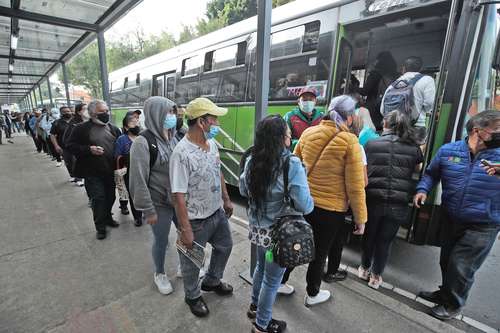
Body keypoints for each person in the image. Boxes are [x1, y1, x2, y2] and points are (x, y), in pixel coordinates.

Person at [280, 95, 367, 306]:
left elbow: (295, 166)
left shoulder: (309, 133)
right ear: (348, 118)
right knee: (320, 253)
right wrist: (360, 218)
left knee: (297, 242)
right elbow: (355, 185)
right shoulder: (350, 142)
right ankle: (312, 293)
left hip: (306, 203)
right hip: (332, 210)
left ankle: (280, 282)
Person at [414, 110, 500, 320]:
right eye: (496, 130)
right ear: (477, 131)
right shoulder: (449, 151)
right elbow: (431, 174)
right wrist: (422, 190)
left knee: (461, 265)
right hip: (451, 217)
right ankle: (445, 294)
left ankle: (453, 305)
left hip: (483, 223)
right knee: (447, 261)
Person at [240, 115, 314, 333]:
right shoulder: (291, 164)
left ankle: (255, 306)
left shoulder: (253, 159)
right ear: (282, 138)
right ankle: (262, 325)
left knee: (261, 269)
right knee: (272, 281)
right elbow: (304, 205)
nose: (290, 137)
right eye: (289, 134)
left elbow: (244, 190)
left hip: (258, 231)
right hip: (278, 235)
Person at [170, 97, 234, 317]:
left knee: (225, 246)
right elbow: (178, 194)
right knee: (191, 263)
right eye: (214, 119)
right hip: (195, 220)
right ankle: (193, 296)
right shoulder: (181, 153)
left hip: (216, 212)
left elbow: (218, 171)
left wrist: (225, 198)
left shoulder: (212, 144)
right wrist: (185, 228)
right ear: (201, 122)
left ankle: (212, 280)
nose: (217, 123)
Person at [359, 111, 423, 289]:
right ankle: (376, 276)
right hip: (398, 202)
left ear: (385, 124)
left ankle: (364, 268)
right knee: (385, 241)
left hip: (373, 200)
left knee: (369, 236)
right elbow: (417, 168)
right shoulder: (413, 148)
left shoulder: (371, 144)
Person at [66, 100, 121, 240]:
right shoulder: (80, 129)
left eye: (107, 111)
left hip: (110, 171)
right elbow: (70, 146)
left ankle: (108, 217)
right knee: (98, 199)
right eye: (101, 112)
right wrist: (88, 149)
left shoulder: (114, 128)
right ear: (91, 114)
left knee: (111, 197)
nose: (106, 114)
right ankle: (100, 227)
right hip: (92, 172)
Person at [380, 56, 436, 145]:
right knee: (413, 156)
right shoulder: (427, 80)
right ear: (421, 68)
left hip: (393, 129)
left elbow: (383, 110)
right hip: (416, 127)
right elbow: (430, 104)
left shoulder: (394, 84)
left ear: (404, 68)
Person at [357, 51, 399, 130]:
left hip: (374, 107)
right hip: (387, 107)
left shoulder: (375, 74)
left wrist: (352, 87)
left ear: (379, 61)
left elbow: (365, 91)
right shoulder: (394, 75)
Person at [116, 114, 143, 227]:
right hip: (129, 172)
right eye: (133, 122)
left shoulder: (143, 136)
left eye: (137, 122)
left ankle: (145, 211)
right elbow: (117, 155)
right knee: (133, 195)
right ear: (126, 127)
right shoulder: (122, 140)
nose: (136, 124)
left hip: (144, 170)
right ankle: (137, 217)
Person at [63, 103, 88, 187]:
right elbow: (67, 138)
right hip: (76, 148)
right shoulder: (74, 123)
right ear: (79, 112)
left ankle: (79, 177)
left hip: (85, 148)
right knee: (74, 162)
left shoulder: (89, 121)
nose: (87, 110)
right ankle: (78, 178)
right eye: (84, 109)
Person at [50, 106, 74, 177]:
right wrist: (56, 146)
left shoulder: (75, 121)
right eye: (64, 112)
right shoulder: (56, 123)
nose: (67, 113)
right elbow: (52, 135)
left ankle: (78, 177)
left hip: (76, 145)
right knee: (68, 161)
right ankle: (72, 175)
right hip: (64, 146)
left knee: (76, 161)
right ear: (61, 113)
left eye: (68, 111)